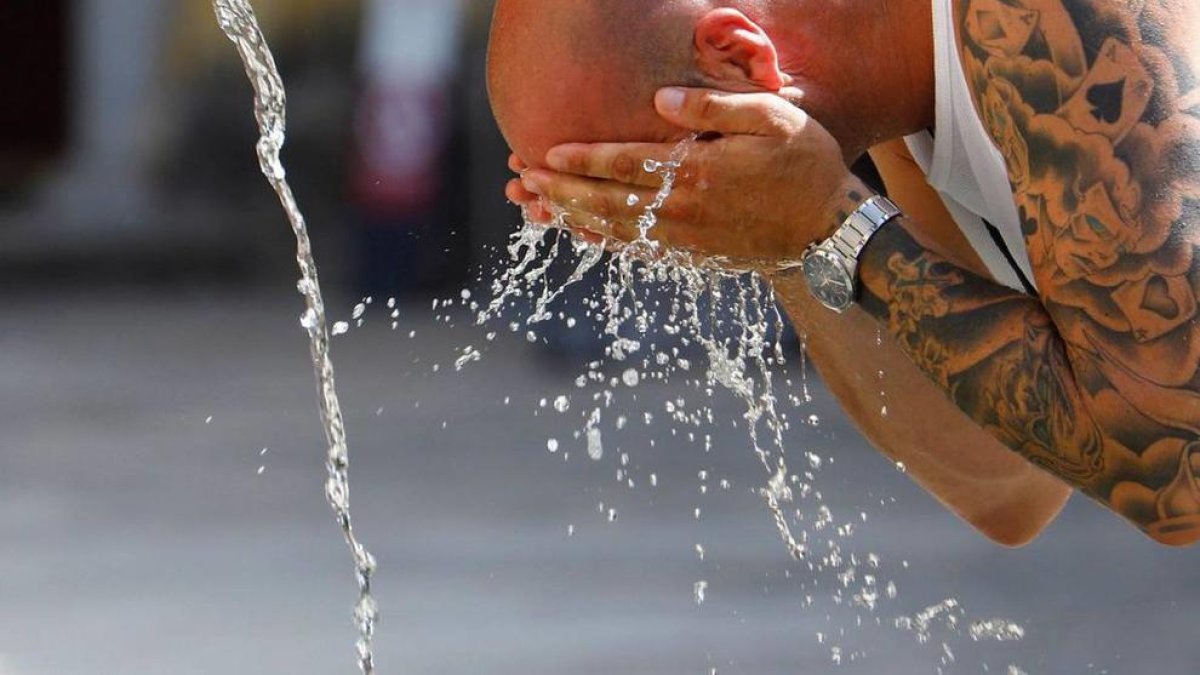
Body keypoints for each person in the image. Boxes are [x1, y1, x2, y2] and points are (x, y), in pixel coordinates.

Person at [486, 0, 1200, 547]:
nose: (653, 238)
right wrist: (786, 236)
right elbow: (1008, 485)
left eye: (642, 190)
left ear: (735, 59)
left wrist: (835, 222)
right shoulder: (901, 87)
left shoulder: (1043, 24)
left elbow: (1177, 476)